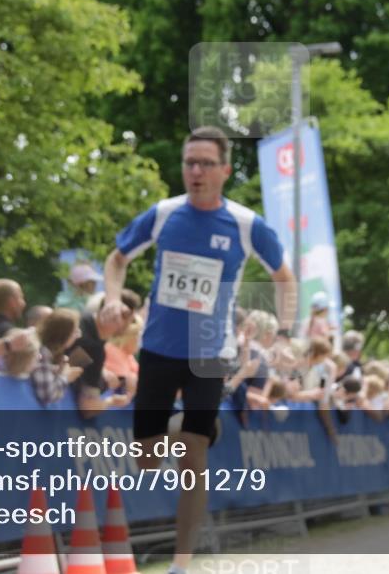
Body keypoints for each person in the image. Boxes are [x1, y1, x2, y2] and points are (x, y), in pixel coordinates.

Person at [100, 126, 297, 574]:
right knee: (147, 459)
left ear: (224, 170)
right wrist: (113, 298)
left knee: (194, 455)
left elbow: (284, 279)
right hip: (158, 349)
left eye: (206, 163)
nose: (195, 171)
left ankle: (181, 564)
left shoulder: (247, 226)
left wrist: (283, 334)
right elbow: (116, 260)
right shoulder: (165, 214)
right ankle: (188, 424)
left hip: (210, 353)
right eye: (189, 162)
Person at [72, 289, 141, 417]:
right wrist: (111, 401)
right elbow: (88, 408)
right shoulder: (93, 348)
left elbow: (72, 361)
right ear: (126, 315)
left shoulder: (79, 322)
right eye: (131, 320)